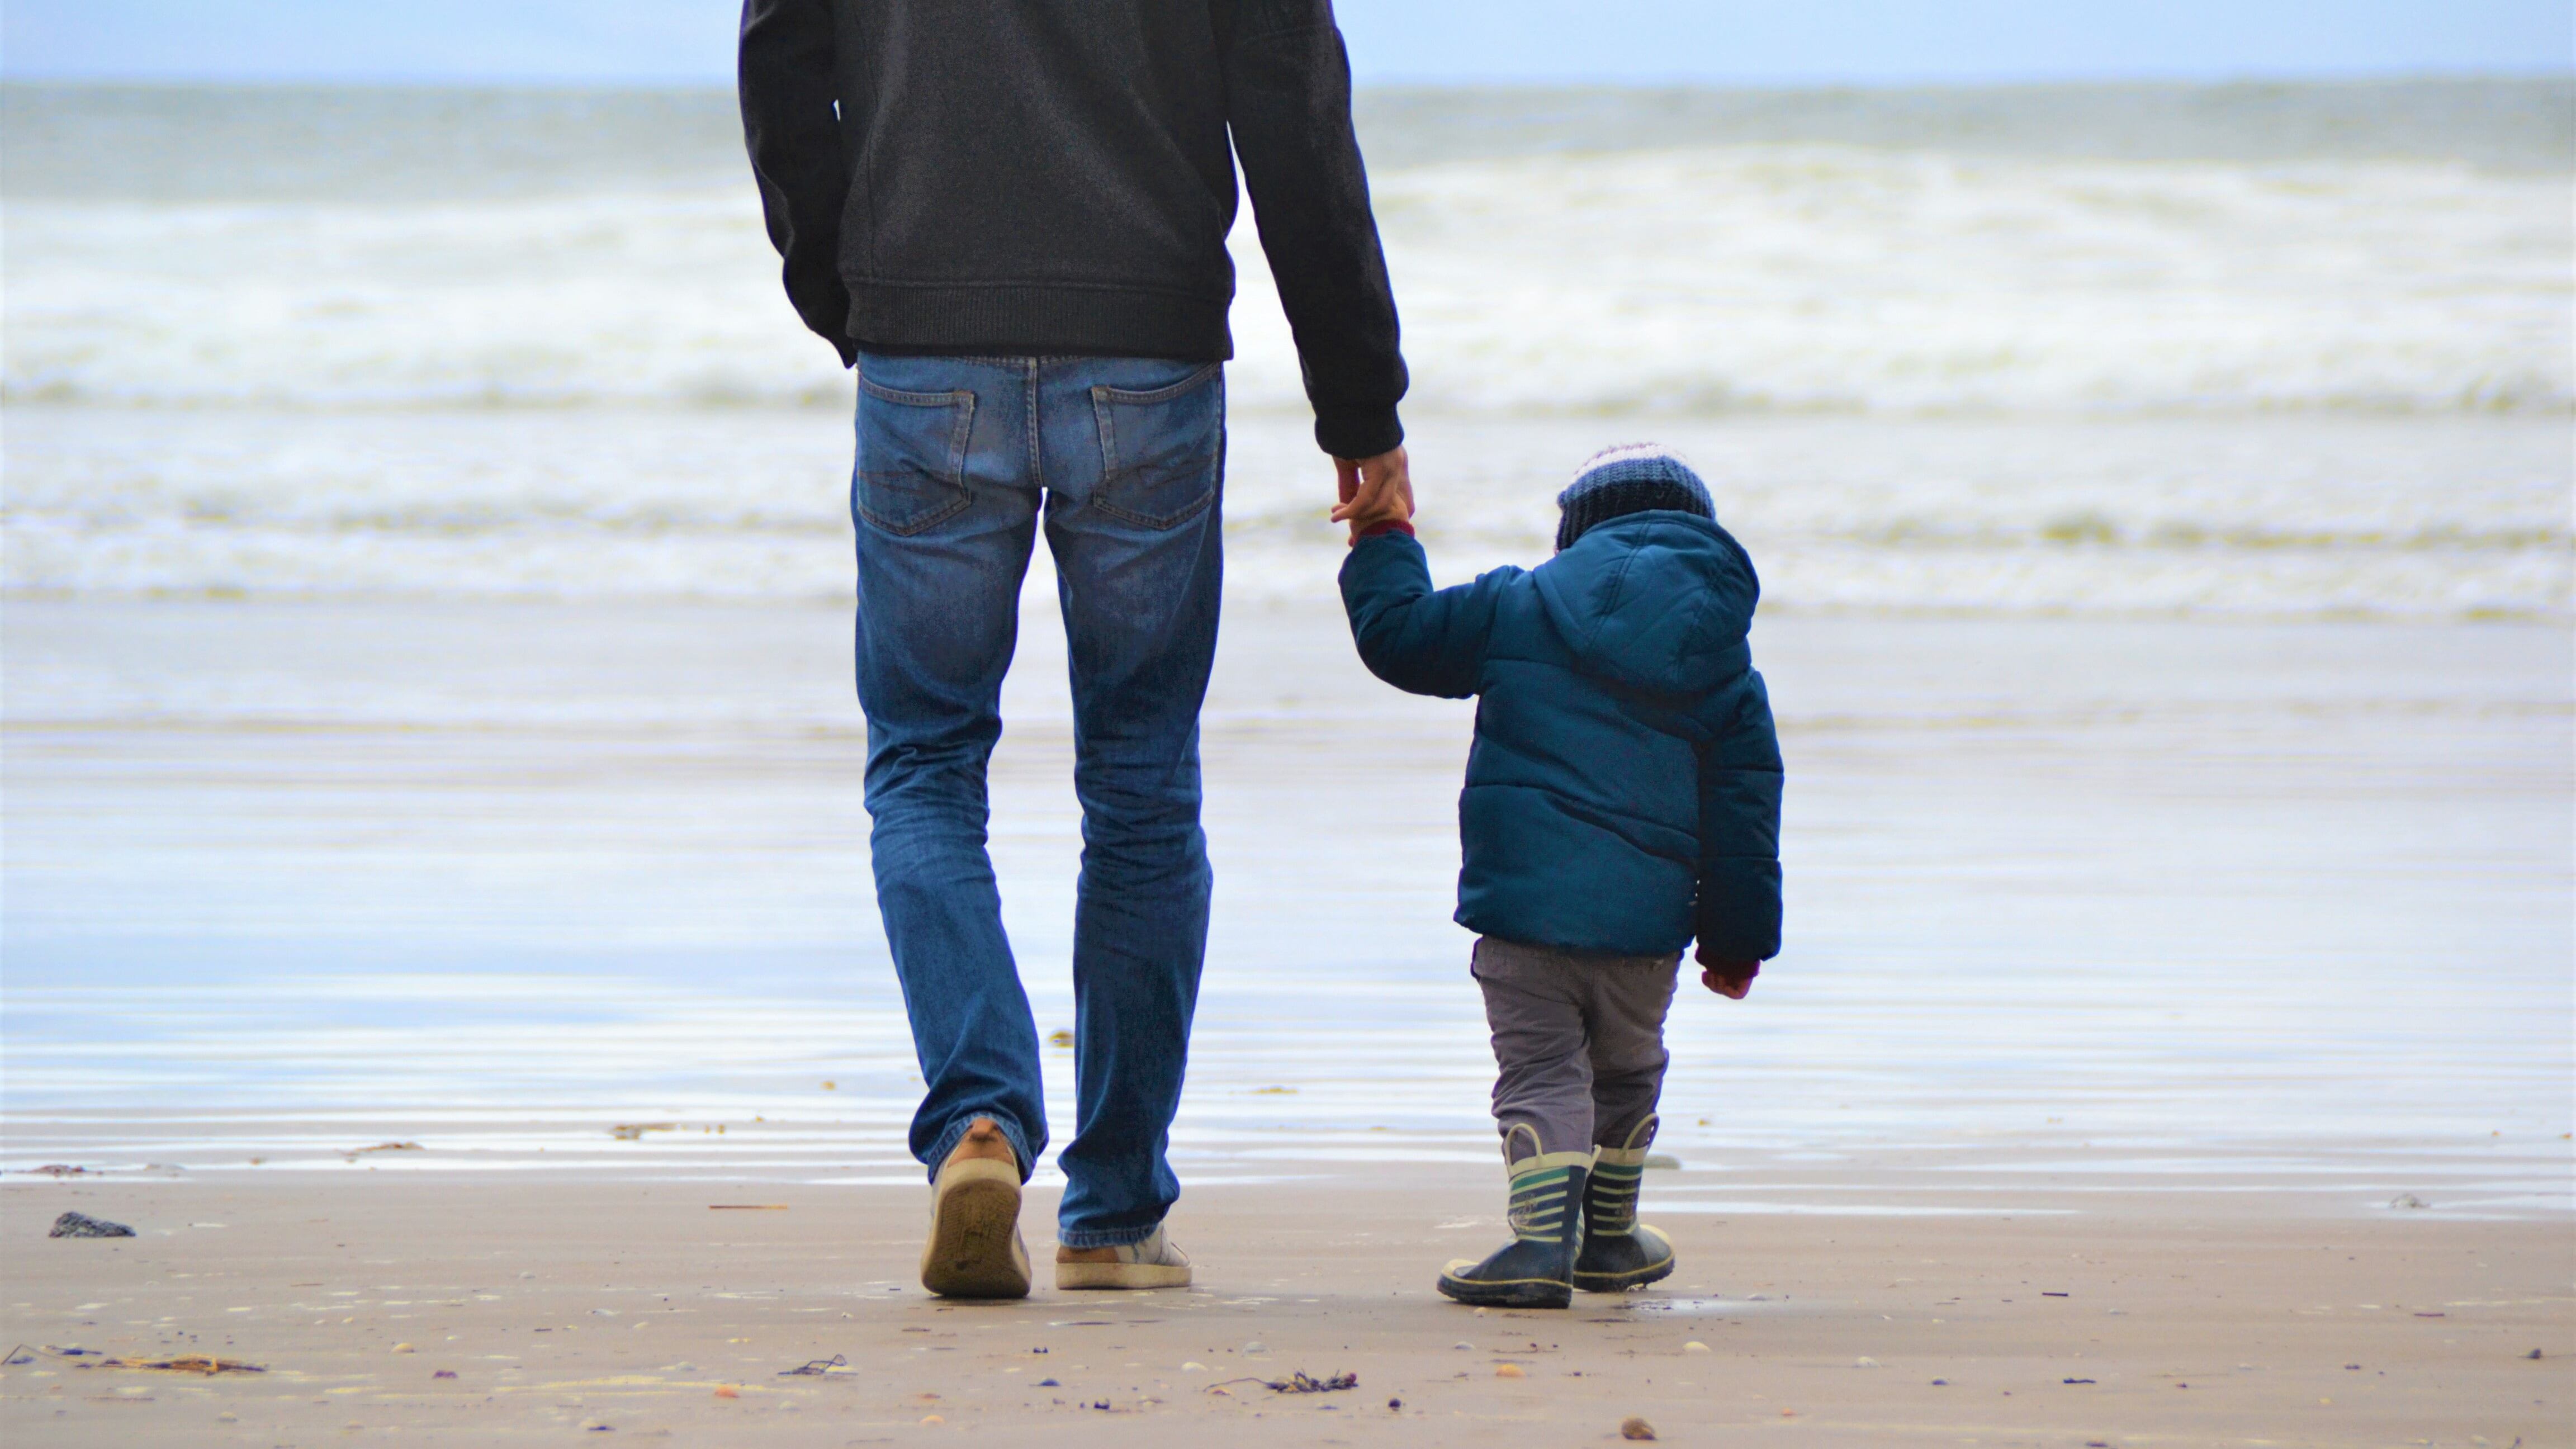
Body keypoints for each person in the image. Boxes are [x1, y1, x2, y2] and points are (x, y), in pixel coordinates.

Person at [738, 0, 1412, 1299]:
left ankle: (982, 1123)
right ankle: (1111, 1212)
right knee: (1144, 781)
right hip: (1146, 355)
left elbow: (781, 58)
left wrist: (849, 289)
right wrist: (1360, 406)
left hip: (925, 343)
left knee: (928, 767)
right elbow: (1296, 116)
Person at [1337, 446, 1783, 1309]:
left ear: (1576, 532)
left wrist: (1385, 531)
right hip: (1645, 932)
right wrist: (1735, 942)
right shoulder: (1721, 659)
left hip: (1524, 915)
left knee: (1541, 1070)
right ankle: (1609, 1241)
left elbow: (1398, 636)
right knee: (1625, 1069)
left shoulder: (1517, 606)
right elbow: (1744, 816)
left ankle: (1541, 1243)